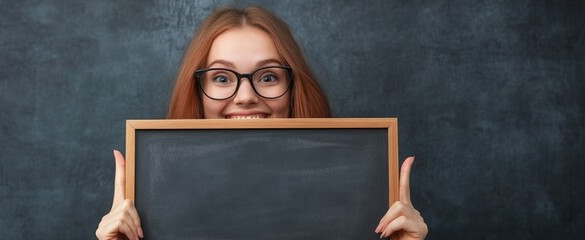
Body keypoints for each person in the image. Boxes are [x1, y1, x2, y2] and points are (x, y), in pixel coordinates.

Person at [96, 6, 427, 240]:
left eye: (267, 76)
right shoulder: (156, 208)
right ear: (197, 90)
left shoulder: (354, 200)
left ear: (294, 85)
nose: (245, 97)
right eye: (222, 78)